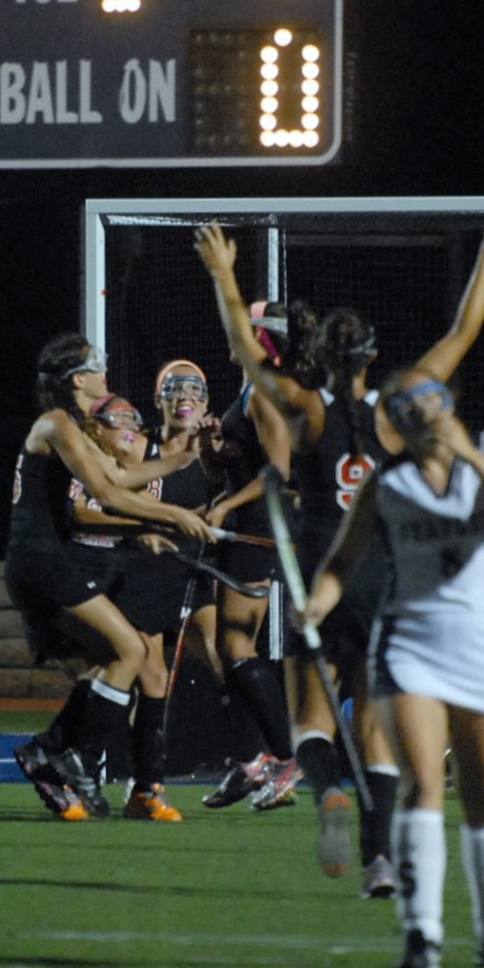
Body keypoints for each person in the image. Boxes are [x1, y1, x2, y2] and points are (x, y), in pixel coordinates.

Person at [196, 212, 484, 895]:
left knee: (312, 723)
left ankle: (327, 797)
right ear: (372, 356)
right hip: (383, 571)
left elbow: (252, 359)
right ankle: (378, 861)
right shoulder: (399, 409)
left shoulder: (305, 409)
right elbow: (463, 333)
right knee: (373, 731)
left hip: (321, 566)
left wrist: (224, 275)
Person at [305, 369, 484, 968]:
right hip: (410, 643)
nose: (420, 417)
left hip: (482, 645)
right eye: (404, 410)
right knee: (420, 784)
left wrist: (467, 452)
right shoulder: (387, 482)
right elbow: (341, 560)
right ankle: (423, 936)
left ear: (448, 404)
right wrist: (316, 602)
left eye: (426, 402)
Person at [5, 334, 213, 820]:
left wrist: (184, 459)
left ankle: (53, 754)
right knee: (131, 652)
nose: (105, 376)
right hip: (42, 560)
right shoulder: (57, 422)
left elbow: (121, 480)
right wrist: (171, 517)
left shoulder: (73, 426)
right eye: (97, 368)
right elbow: (105, 493)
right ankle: (69, 757)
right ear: (78, 379)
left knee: (118, 660)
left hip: (48, 561)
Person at [199, 308, 312, 813]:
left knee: (234, 642)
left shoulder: (265, 389)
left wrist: (226, 504)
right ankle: (251, 762)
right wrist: (211, 446)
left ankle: (286, 757)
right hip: (240, 528)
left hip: (256, 530)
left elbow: (278, 472)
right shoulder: (249, 388)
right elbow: (234, 462)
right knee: (227, 646)